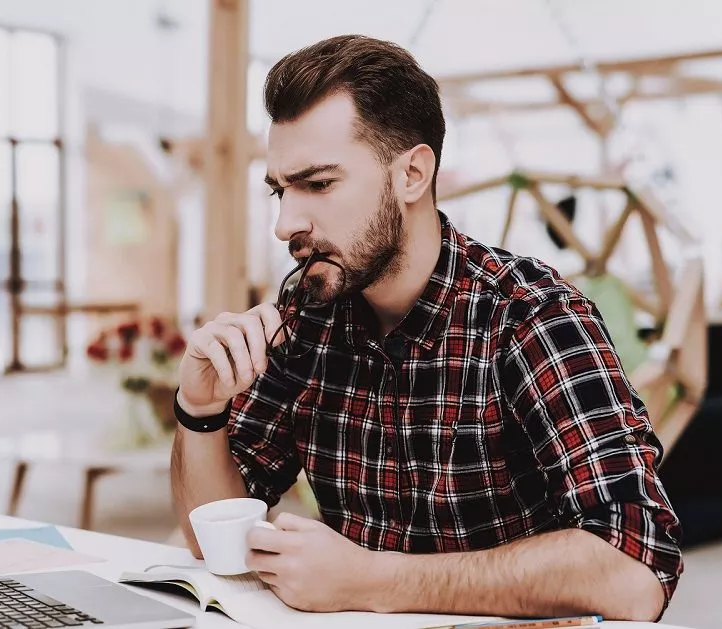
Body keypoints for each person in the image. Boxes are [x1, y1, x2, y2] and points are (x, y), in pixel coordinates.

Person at [169, 34, 682, 622]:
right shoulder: (307, 320)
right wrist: (199, 409)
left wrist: (371, 580)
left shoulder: (530, 317)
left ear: (413, 174)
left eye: (318, 184)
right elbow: (212, 540)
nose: (286, 223)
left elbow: (636, 573)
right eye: (280, 190)